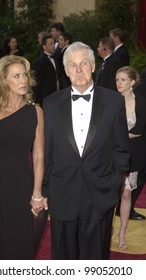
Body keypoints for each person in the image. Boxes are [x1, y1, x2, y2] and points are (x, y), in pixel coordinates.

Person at [42, 42, 130, 260]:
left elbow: (121, 149)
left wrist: (113, 182)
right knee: (64, 260)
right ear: (65, 70)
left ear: (92, 66)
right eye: (72, 65)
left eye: (83, 64)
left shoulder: (113, 102)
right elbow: (47, 150)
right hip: (62, 193)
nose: (78, 70)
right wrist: (45, 189)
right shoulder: (51, 103)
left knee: (96, 260)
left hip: (100, 194)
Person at [0, 55, 45, 259]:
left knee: (19, 239)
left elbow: (39, 155)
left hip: (22, 184)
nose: (23, 80)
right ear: (4, 80)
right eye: (16, 76)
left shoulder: (36, 112)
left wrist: (37, 194)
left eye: (24, 75)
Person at [115, 66, 146, 250]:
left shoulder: (141, 102)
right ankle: (106, 228)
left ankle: (122, 232)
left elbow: (138, 131)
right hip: (110, 155)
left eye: (123, 80)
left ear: (132, 82)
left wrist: (115, 135)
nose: (119, 83)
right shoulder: (110, 101)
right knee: (110, 195)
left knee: (126, 194)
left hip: (132, 156)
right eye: (117, 80)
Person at [33, 34, 61, 107]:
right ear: (44, 46)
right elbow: (37, 82)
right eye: (50, 44)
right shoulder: (40, 61)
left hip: (57, 94)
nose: (53, 46)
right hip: (46, 97)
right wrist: (37, 101)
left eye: (54, 44)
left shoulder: (55, 58)